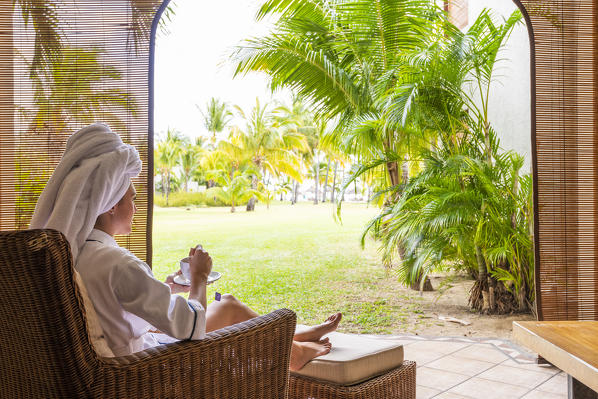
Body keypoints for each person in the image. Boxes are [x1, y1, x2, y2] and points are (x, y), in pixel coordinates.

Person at [30, 123, 341, 370]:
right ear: (110, 204)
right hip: (146, 367)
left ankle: (294, 337)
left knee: (229, 301)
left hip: (121, 354)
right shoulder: (117, 263)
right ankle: (294, 352)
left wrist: (165, 288)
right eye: (132, 198)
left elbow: (118, 309)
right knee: (229, 306)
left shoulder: (72, 255)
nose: (136, 207)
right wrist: (199, 278)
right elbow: (190, 327)